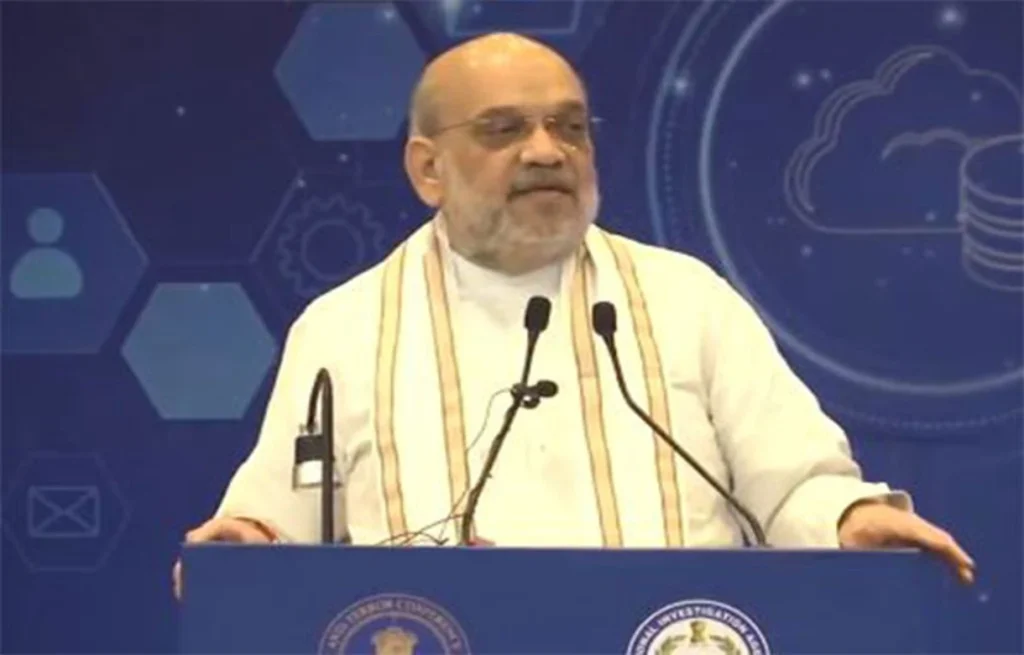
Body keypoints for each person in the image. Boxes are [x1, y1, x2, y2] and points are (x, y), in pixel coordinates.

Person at [173, 32, 974, 598]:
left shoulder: (685, 298)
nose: (546, 150)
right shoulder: (342, 328)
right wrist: (242, 545)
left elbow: (793, 485)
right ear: (427, 169)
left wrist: (849, 517)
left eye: (569, 126)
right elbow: (279, 522)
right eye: (503, 129)